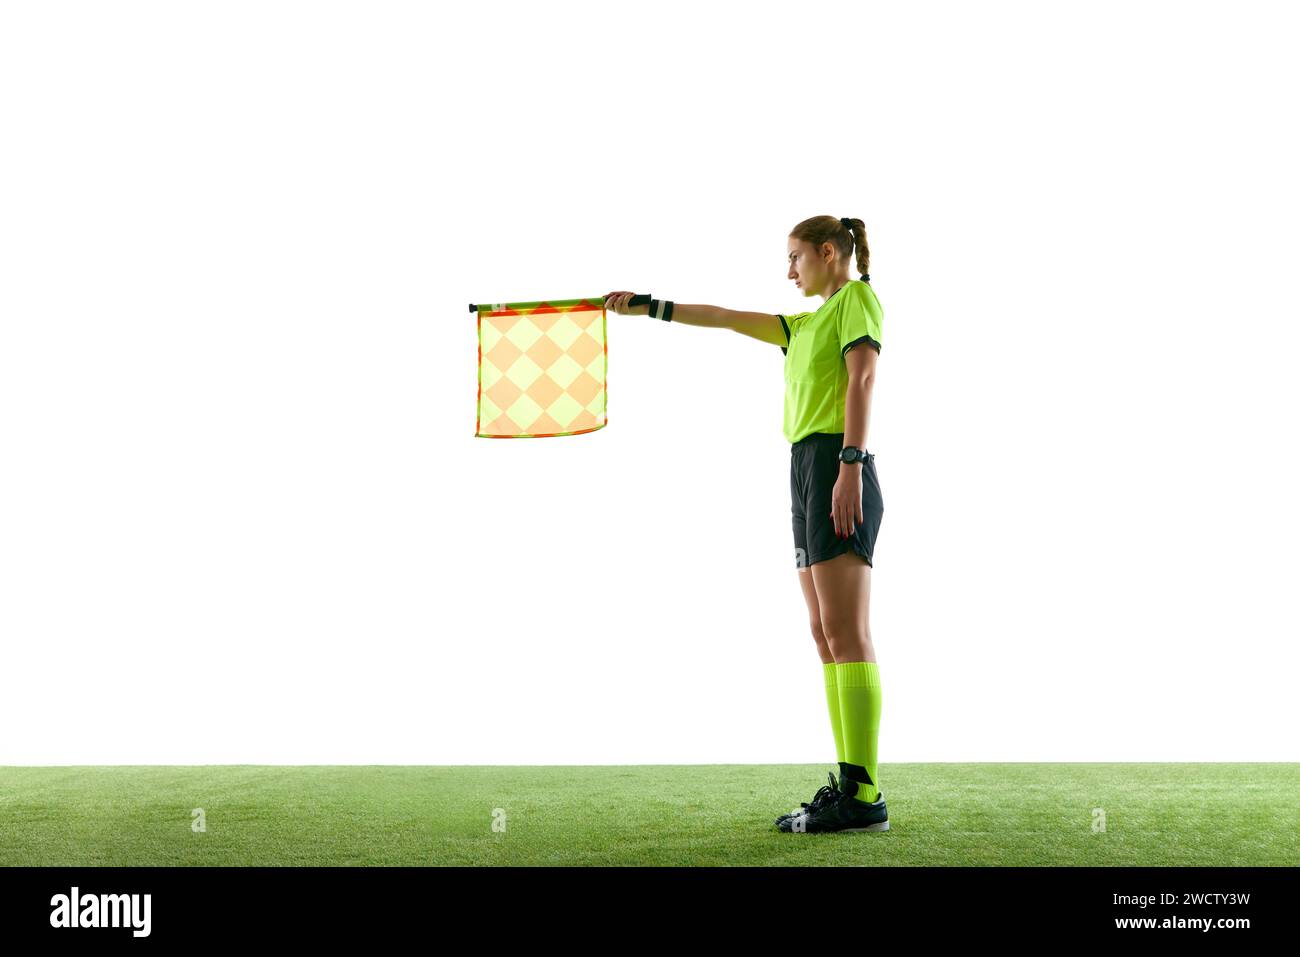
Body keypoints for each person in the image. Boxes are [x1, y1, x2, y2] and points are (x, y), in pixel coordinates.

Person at [604, 215, 888, 834]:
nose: (789, 271)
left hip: (838, 460)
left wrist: (850, 463)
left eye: (795, 258)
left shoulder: (856, 299)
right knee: (823, 633)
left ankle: (865, 797)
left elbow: (862, 378)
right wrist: (648, 307)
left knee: (847, 631)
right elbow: (725, 316)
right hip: (803, 467)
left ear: (829, 252)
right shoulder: (802, 324)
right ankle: (848, 783)